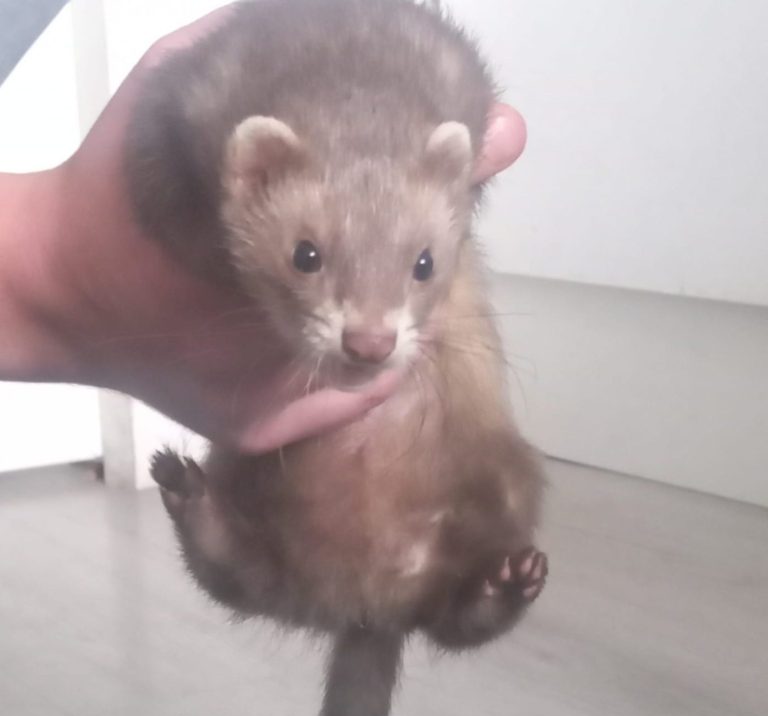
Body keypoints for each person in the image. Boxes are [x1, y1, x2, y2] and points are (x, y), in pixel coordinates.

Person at [0, 4, 527, 454]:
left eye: (422, 266)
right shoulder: (204, 110)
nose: (373, 335)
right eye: (308, 258)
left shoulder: (450, 88)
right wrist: (64, 273)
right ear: (254, 176)